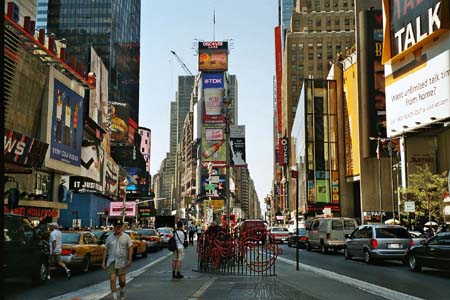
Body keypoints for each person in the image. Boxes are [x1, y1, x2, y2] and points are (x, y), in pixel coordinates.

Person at [102, 219, 133, 300]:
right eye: (116, 227)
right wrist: (103, 262)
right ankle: (115, 297)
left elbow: (130, 248)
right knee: (112, 279)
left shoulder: (127, 237)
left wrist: (130, 259)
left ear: (122, 227)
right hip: (111, 261)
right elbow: (106, 249)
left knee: (122, 282)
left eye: (119, 227)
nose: (118, 228)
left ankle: (122, 292)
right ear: (114, 227)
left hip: (122, 262)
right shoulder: (109, 238)